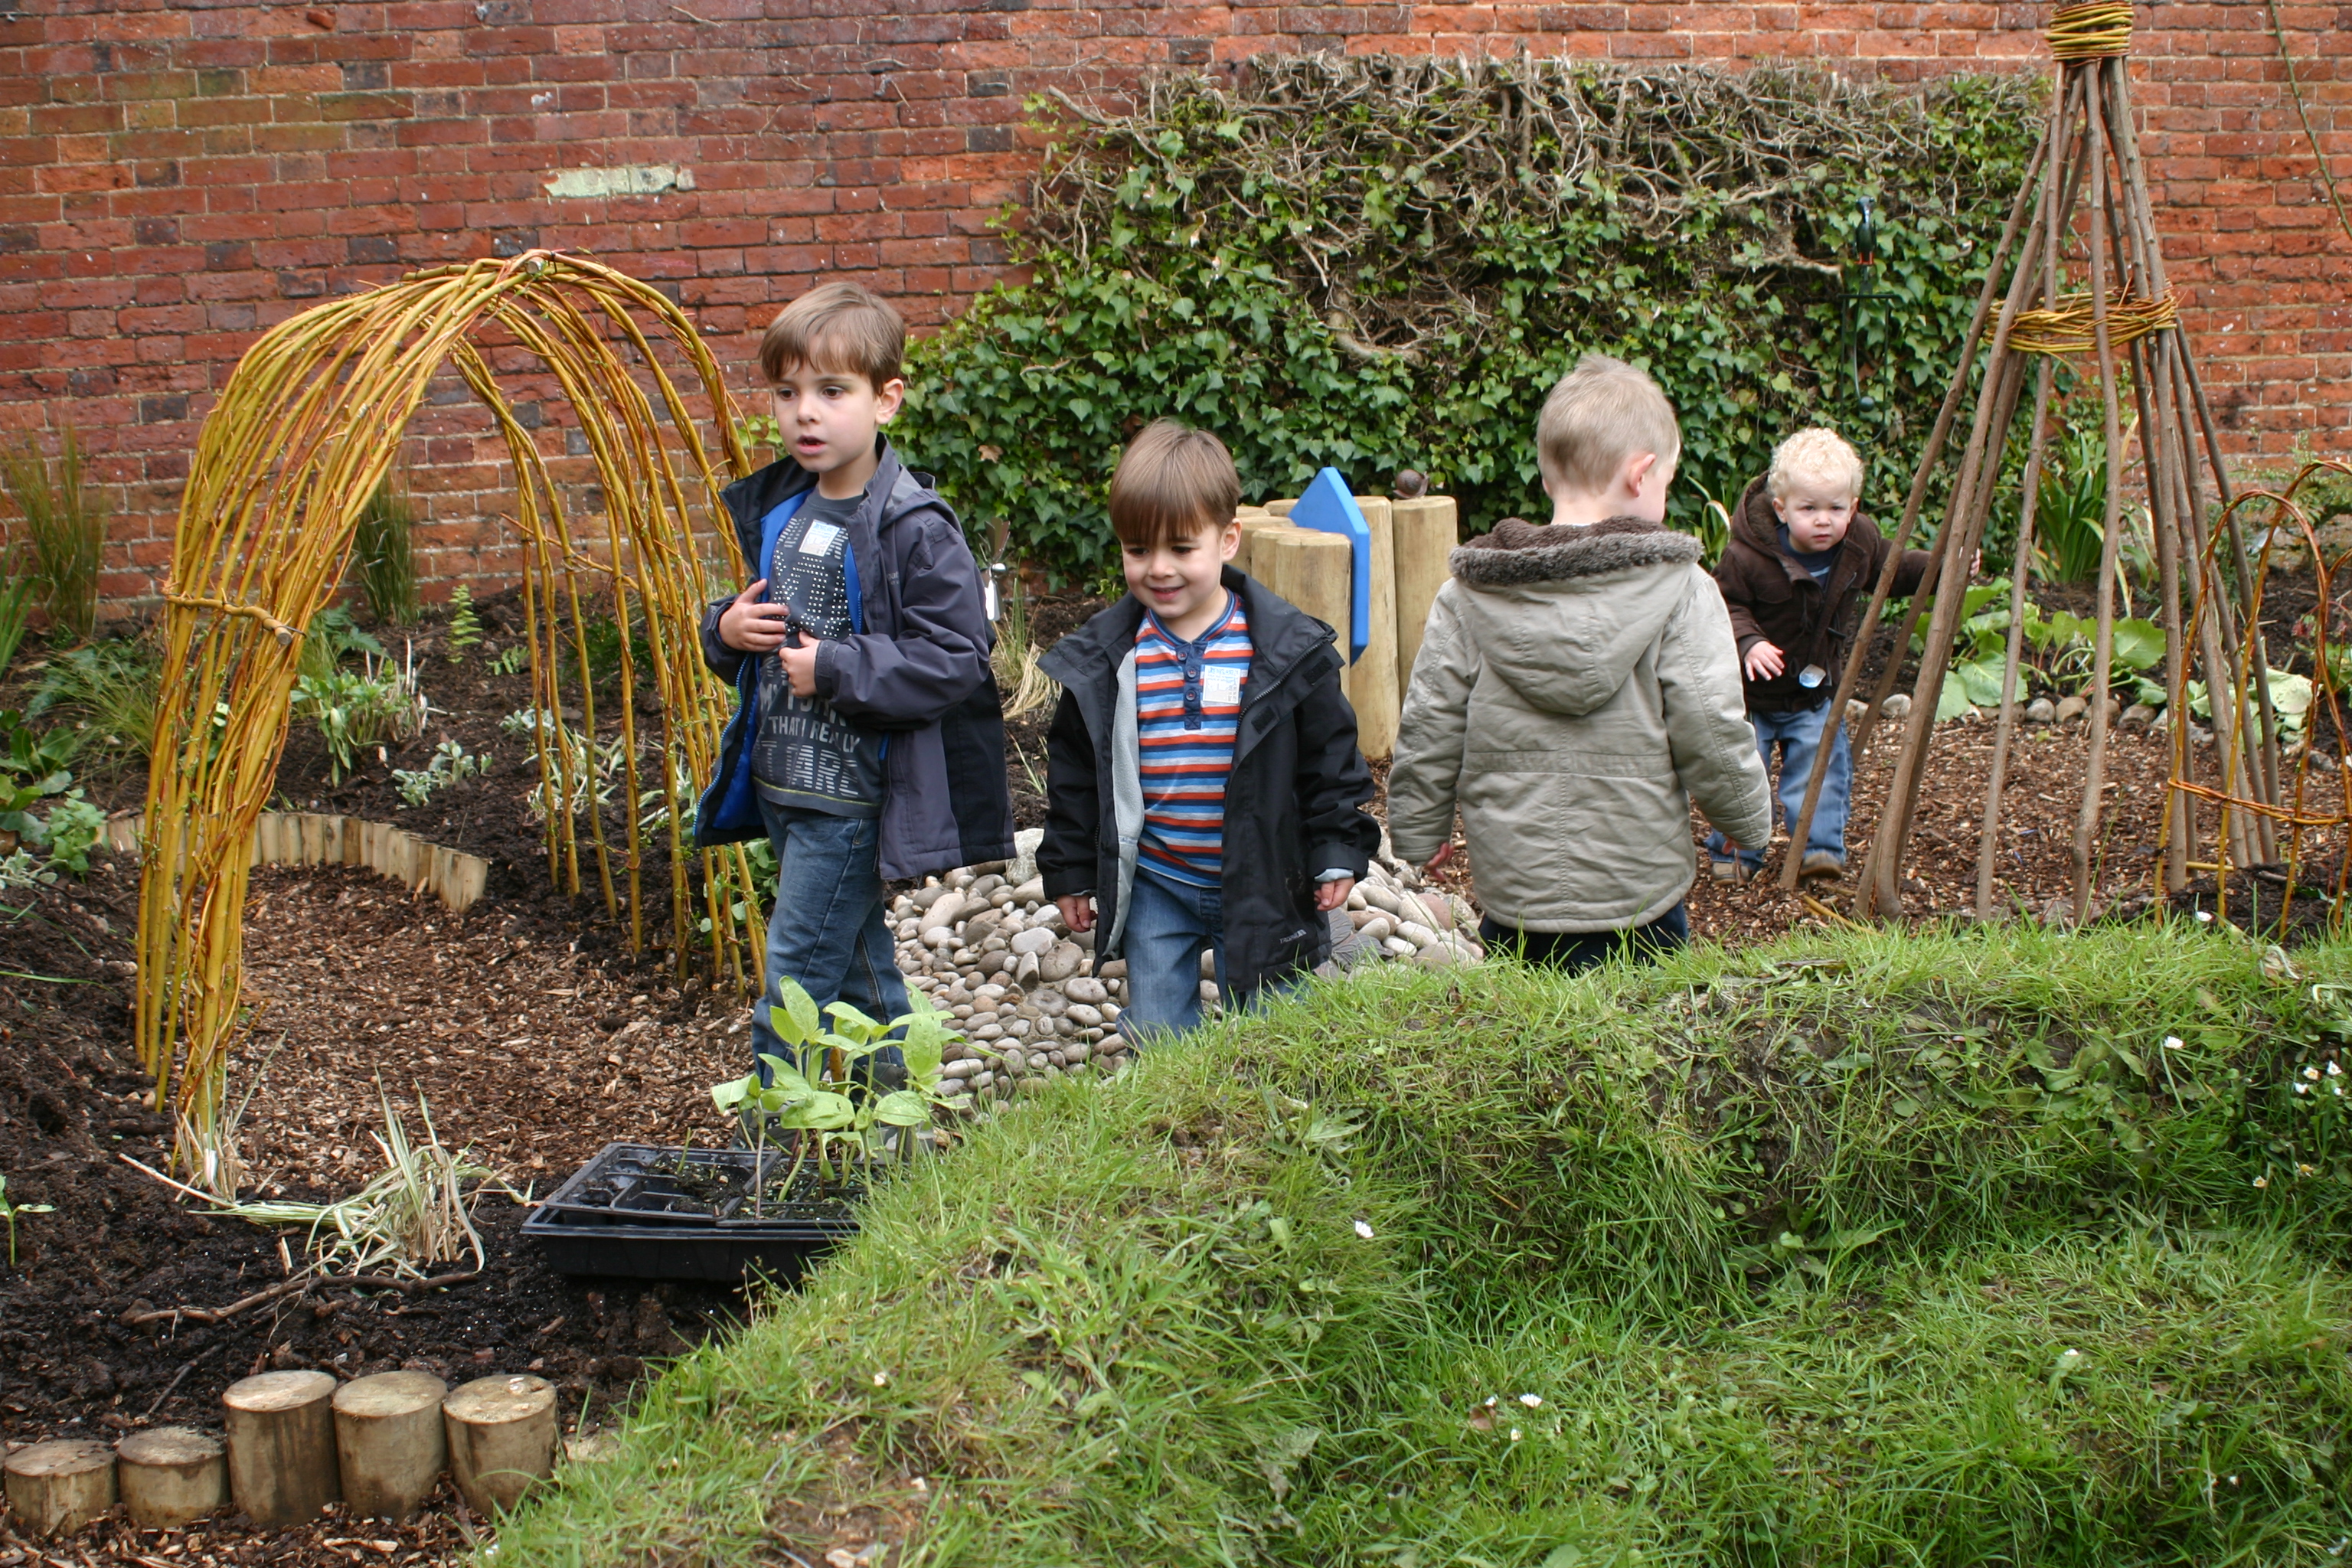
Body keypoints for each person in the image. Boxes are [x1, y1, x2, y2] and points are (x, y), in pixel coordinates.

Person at [693, 281, 1012, 1076]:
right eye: (788, 391)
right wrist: (726, 630)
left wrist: (834, 666)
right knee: (868, 986)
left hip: (852, 798)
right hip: (786, 787)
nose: (806, 412)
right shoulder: (785, 510)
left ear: (886, 400)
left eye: (832, 391)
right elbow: (768, 628)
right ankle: (897, 1148)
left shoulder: (913, 523)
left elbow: (958, 658)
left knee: (792, 985)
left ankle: (773, 1165)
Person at [1387, 352, 1769, 973]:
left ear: (1547, 477)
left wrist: (1417, 828)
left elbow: (1430, 722)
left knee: (1533, 1047)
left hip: (1517, 892)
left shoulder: (1472, 594)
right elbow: (1711, 723)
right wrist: (1747, 818)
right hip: (1640, 891)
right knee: (1647, 1049)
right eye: (1668, 484)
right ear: (1642, 475)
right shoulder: (1682, 588)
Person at [1037, 420, 1381, 1041]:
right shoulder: (1111, 660)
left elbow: (1330, 764)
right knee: (1161, 1033)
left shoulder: (1282, 653)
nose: (1158, 569)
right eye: (1138, 550)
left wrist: (1335, 852)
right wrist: (1070, 870)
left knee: (1273, 1037)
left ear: (1227, 540)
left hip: (1265, 878)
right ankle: (1171, 1128)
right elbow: (1075, 774)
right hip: (1159, 883)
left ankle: (1269, 1128)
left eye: (1181, 548)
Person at [1707, 426, 1933, 883]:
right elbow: (1722, 603)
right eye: (1808, 509)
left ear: (1853, 507)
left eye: (1836, 508)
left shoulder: (1858, 544)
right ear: (1781, 509)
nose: (1823, 520)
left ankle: (1819, 853)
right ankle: (1736, 857)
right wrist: (1749, 642)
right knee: (1740, 777)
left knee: (1821, 770)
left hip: (1812, 694)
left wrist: (1944, 564)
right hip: (1749, 698)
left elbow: (1895, 570)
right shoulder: (1748, 555)